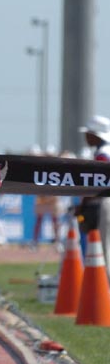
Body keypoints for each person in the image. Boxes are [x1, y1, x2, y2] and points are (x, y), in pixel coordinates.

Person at [78, 114, 110, 273]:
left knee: (105, 251)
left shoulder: (103, 154)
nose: (85, 137)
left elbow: (96, 184)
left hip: (105, 203)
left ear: (95, 135)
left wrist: (82, 204)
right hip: (104, 202)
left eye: (88, 133)